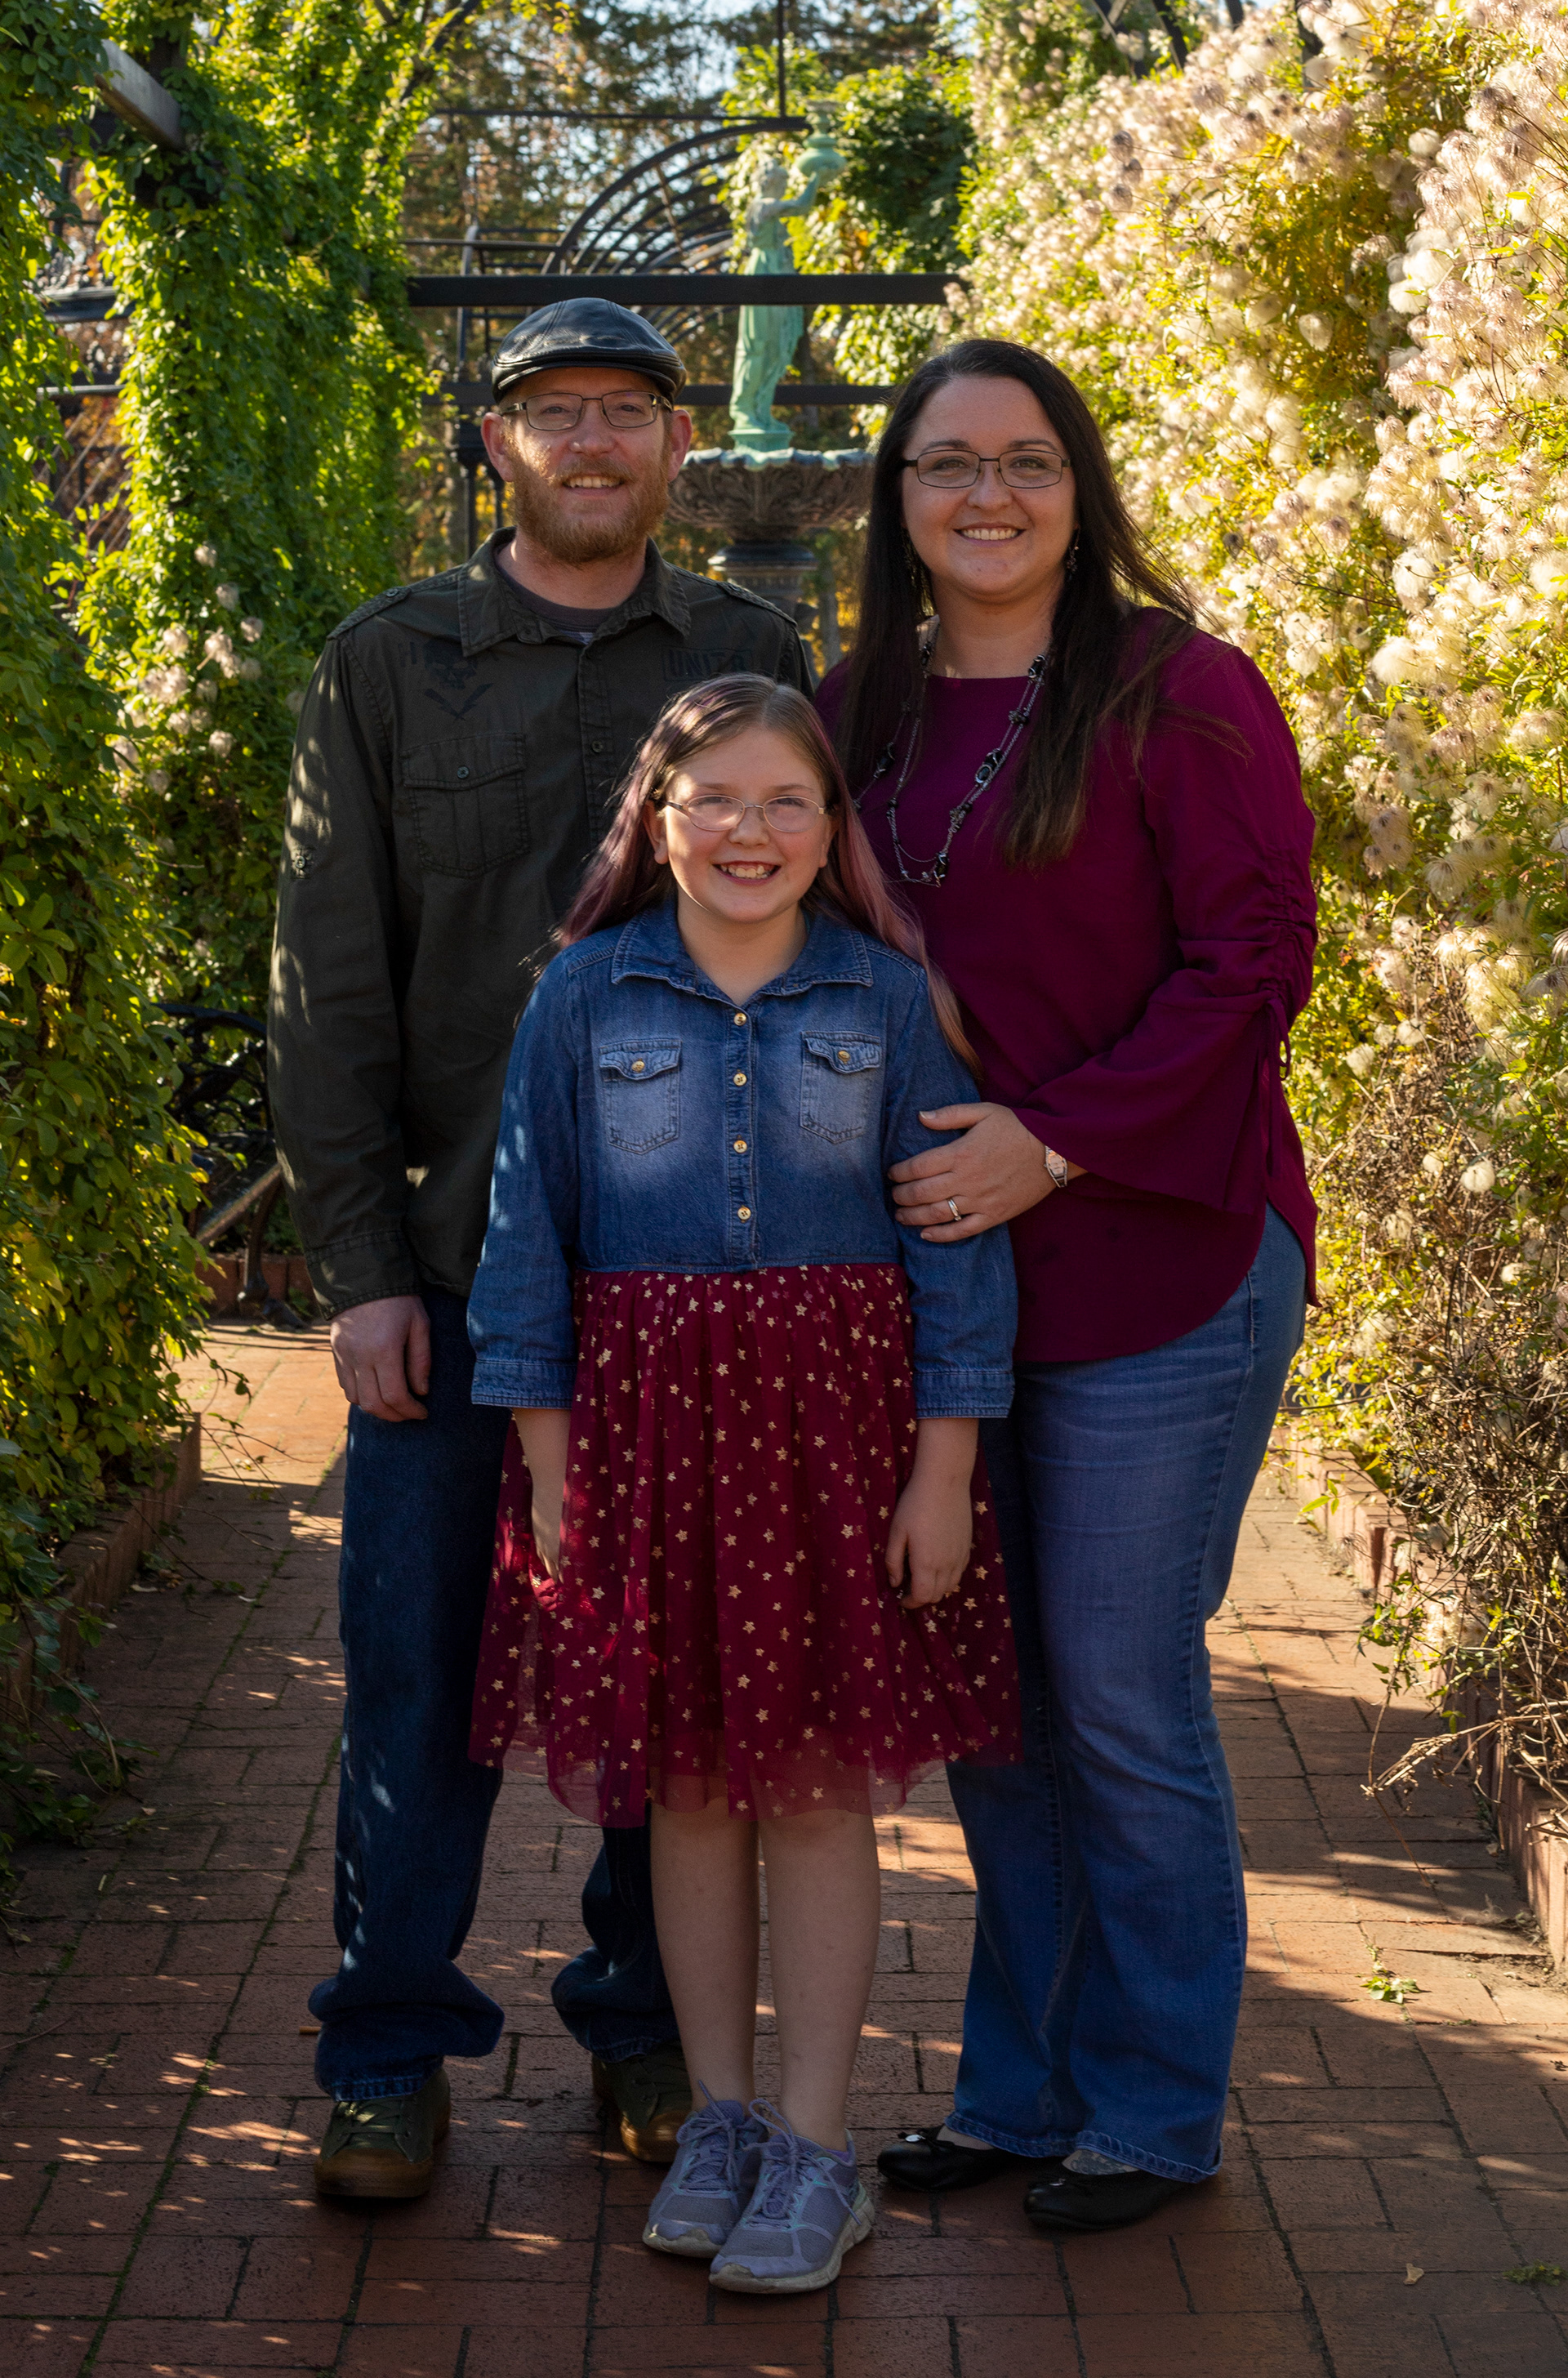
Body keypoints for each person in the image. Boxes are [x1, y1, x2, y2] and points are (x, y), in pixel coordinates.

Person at [267, 299, 813, 2202]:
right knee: (416, 1673)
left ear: (680, 446)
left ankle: (642, 2032)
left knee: (667, 1673)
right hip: (446, 1270)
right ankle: (384, 2053)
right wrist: (359, 1269)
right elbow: (328, 985)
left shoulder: (749, 655)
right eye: (553, 410)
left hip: (694, 1283)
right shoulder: (388, 663)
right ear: (496, 443)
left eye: (628, 410)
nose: (591, 440)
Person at [817, 337, 1317, 2235]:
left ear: (1078, 485)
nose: (990, 494)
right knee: (999, 1709)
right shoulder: (856, 708)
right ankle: (1020, 2093)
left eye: (1027, 459)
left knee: (1117, 1693)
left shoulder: (1180, 691)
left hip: (1162, 1250)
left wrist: (1060, 1138)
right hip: (953, 1283)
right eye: (948, 462)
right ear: (900, 498)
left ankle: (1158, 2107)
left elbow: (1256, 957)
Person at [465, 675, 1020, 2292]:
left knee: (816, 1786)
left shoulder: (888, 998)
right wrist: (552, 1472)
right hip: (646, 1445)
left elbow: (956, 1253)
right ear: (657, 822)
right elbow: (525, 1242)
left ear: (832, 829)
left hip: (836, 1445)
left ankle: (818, 2145)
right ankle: (717, 2120)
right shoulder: (583, 998)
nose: (749, 832)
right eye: (713, 800)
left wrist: (944, 1467)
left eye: (787, 801)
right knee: (693, 1786)